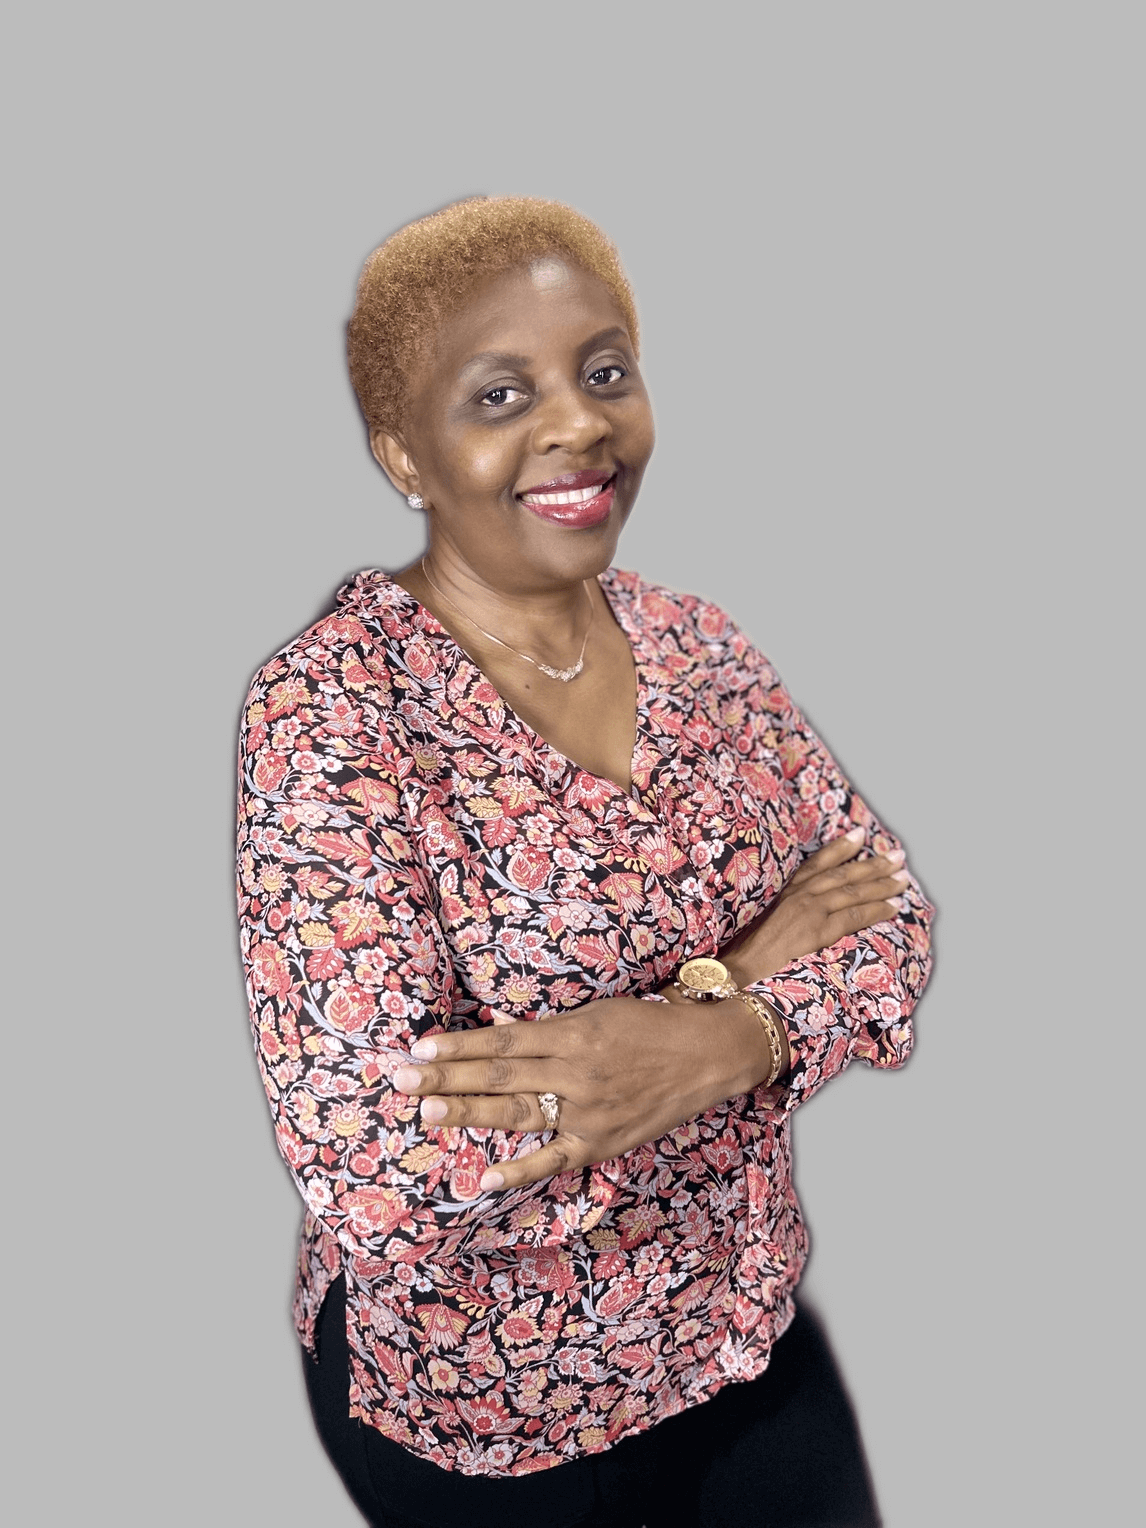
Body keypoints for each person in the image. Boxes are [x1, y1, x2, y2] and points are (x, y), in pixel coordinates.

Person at [236, 196, 934, 1528]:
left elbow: (884, 917)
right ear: (404, 454)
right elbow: (369, 1160)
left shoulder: (698, 647)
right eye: (501, 394)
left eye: (603, 372)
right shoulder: (333, 709)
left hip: (742, 1338)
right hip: (494, 1416)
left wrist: (722, 1040)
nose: (576, 423)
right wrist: (741, 976)